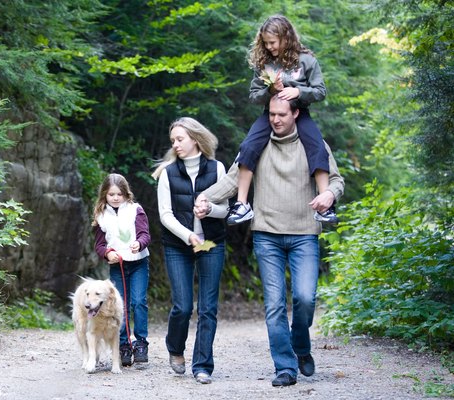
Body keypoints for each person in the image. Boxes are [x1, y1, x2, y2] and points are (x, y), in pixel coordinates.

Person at [195, 96, 345, 387]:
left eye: (282, 114)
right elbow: (232, 180)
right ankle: (285, 367)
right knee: (274, 305)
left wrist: (329, 195)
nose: (276, 120)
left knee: (305, 298)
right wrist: (205, 197)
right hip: (267, 236)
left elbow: (336, 180)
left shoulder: (314, 144)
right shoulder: (258, 144)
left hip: (304, 234)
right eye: (272, 114)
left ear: (296, 113)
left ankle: (300, 345)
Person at [227, 14, 338, 225]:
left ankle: (325, 205)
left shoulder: (306, 60)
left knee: (317, 147)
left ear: (285, 38)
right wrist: (271, 90)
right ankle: (241, 204)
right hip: (270, 113)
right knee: (248, 146)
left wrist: (297, 92)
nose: (269, 47)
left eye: (273, 42)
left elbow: (320, 91)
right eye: (265, 43)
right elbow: (253, 96)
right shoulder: (264, 63)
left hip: (299, 113)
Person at [151, 117, 229, 384]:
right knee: (183, 306)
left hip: (212, 244)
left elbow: (225, 210)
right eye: (173, 140)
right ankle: (175, 348)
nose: (175, 144)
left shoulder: (218, 168)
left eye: (180, 139)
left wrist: (209, 210)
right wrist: (188, 235)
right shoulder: (168, 172)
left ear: (195, 139)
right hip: (178, 246)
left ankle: (203, 365)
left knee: (208, 308)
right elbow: (165, 215)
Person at [92, 173, 151, 367]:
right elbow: (100, 245)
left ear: (126, 194)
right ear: (105, 196)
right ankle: (124, 345)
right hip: (118, 266)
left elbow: (145, 234)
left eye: (119, 194)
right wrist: (107, 253)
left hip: (138, 263)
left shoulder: (136, 210)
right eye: (111, 194)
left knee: (139, 301)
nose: (116, 198)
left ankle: (141, 343)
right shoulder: (101, 216)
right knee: (121, 306)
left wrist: (138, 243)